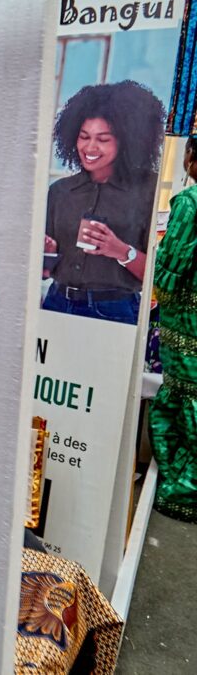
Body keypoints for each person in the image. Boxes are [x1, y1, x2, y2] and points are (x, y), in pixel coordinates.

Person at [42, 81, 164, 325]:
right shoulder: (60, 192)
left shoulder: (150, 191)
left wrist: (119, 250)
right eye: (84, 136)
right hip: (55, 305)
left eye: (103, 139)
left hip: (114, 313)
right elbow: (44, 272)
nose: (90, 147)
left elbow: (159, 277)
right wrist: (46, 254)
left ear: (127, 140)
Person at [149, 135, 197, 523]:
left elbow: (172, 263)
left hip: (187, 322)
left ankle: (183, 492)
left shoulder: (189, 202)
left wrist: (154, 290)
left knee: (182, 397)